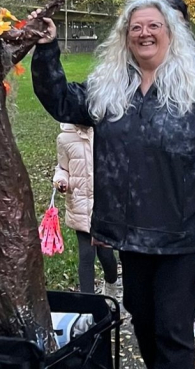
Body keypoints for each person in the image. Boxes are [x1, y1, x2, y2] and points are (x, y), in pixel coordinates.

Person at [30, 0, 195, 369]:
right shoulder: (112, 88)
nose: (144, 33)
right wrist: (47, 48)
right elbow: (62, 102)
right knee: (143, 321)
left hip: (181, 233)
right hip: (130, 234)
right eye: (136, 27)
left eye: (153, 26)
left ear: (170, 33)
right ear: (126, 37)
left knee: (172, 327)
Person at [53, 122, 118, 297]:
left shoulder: (105, 132)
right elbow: (62, 168)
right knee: (86, 255)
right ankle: (88, 304)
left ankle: (111, 282)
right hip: (79, 205)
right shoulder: (65, 138)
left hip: (103, 207)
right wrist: (61, 181)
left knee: (106, 255)